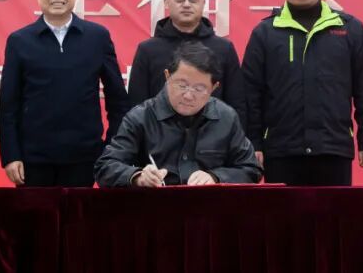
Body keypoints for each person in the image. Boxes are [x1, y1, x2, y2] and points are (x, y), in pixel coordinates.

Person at [242, 0, 363, 186]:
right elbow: (250, 94)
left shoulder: (349, 29)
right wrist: (252, 143)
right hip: (281, 151)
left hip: (333, 148)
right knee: (282, 212)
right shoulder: (265, 33)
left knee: (332, 211)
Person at [0, 0, 130, 187]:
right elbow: (8, 105)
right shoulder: (20, 41)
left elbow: (118, 100)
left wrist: (111, 150)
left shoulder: (97, 37)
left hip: (85, 157)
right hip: (33, 159)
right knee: (36, 211)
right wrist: (11, 155)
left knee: (80, 211)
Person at [96, 42, 261, 187]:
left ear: (214, 87)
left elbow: (251, 168)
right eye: (182, 85)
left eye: (199, 89)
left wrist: (216, 177)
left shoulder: (226, 117)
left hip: (210, 208)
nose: (188, 95)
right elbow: (105, 167)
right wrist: (137, 177)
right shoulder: (141, 117)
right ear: (167, 76)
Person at [126, 0, 246, 124]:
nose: (187, 4)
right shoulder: (148, 50)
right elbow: (136, 106)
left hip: (213, 135)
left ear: (203, 4)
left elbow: (237, 104)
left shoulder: (224, 49)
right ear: (166, 2)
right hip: (159, 136)